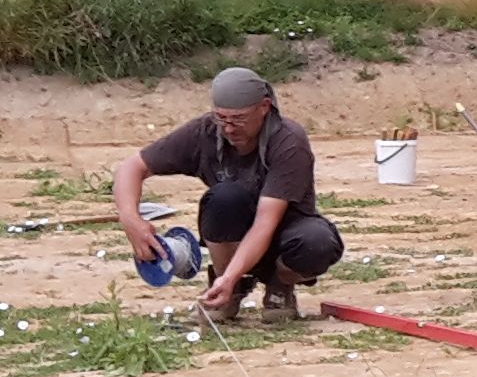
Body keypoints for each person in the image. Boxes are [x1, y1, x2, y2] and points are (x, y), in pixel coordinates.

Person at [116, 66, 344, 326]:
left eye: (238, 119)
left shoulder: (288, 140)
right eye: (221, 118)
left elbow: (265, 223)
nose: (229, 128)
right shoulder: (204, 131)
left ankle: (280, 286)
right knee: (224, 197)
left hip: (285, 234)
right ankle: (228, 290)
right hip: (232, 234)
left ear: (264, 107)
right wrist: (130, 219)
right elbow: (131, 168)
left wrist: (231, 275)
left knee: (318, 242)